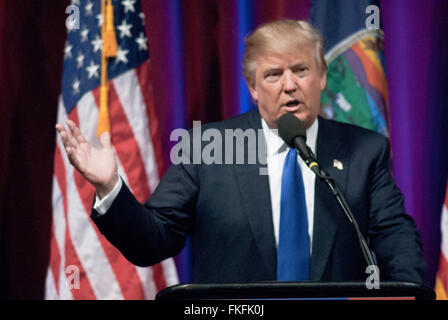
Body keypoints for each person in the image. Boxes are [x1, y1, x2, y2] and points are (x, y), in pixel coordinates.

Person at [56, 19, 426, 284]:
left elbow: (395, 238)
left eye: (301, 70)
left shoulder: (365, 150)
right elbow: (153, 240)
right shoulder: (206, 149)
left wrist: (410, 295)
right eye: (273, 75)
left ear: (323, 77)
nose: (289, 85)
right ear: (252, 87)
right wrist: (110, 188)